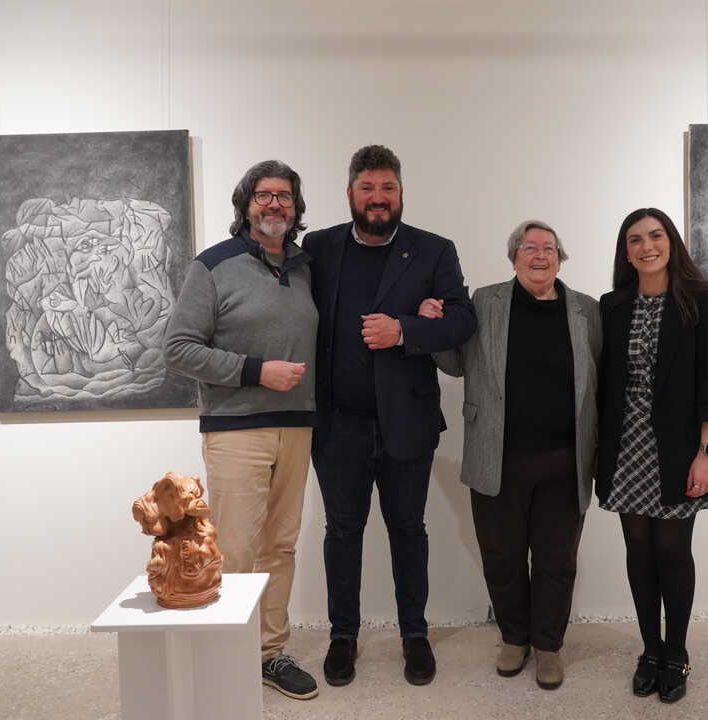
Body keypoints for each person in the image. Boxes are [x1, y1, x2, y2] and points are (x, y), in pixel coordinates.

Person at [302, 145, 477, 687]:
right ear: (350, 193)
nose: (378, 198)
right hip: (339, 425)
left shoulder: (433, 250)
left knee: (408, 530)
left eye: (388, 188)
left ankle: (414, 635)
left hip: (407, 422)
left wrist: (405, 329)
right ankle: (342, 637)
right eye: (368, 188)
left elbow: (463, 320)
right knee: (342, 532)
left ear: (401, 193)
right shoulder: (319, 247)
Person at [163, 160, 320, 701]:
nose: (274, 204)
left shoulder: (306, 268)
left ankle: (270, 653)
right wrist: (256, 371)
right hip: (236, 428)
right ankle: (225, 657)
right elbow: (178, 349)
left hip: (297, 428)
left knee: (281, 546)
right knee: (233, 548)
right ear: (246, 204)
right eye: (263, 195)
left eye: (284, 196)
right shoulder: (213, 265)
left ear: (296, 207)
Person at [432, 220, 601, 690]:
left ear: (560, 259)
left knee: (556, 560)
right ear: (514, 258)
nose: (540, 255)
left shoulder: (587, 310)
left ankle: (548, 645)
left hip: (564, 460)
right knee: (501, 556)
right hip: (497, 456)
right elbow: (454, 363)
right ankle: (513, 637)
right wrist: (435, 325)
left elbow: (601, 380)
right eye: (530, 247)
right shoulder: (484, 302)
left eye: (549, 248)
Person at [596, 207, 708, 703]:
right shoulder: (613, 305)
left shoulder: (702, 300)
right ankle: (650, 650)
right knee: (638, 550)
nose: (646, 246)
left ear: (671, 242)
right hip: (624, 444)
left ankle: (677, 651)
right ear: (626, 252)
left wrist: (707, 451)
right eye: (635, 239)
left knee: (673, 551)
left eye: (655, 236)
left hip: (678, 448)